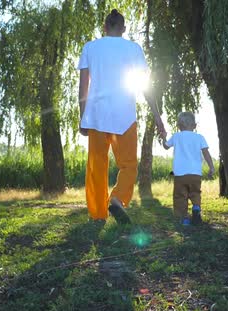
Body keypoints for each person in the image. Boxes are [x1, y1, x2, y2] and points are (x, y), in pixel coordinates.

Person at [78, 9, 166, 224]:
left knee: (96, 166)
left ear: (104, 27)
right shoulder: (133, 49)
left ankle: (98, 215)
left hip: (97, 116)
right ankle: (117, 198)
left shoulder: (90, 47)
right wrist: (158, 118)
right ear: (124, 29)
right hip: (124, 115)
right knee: (128, 165)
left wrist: (83, 117)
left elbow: (83, 86)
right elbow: (146, 87)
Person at [162, 112, 215, 225]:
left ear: (178, 126)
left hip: (180, 174)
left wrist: (163, 137)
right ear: (194, 126)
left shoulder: (176, 136)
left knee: (180, 196)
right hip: (195, 173)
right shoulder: (200, 137)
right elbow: (206, 153)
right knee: (195, 192)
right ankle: (196, 208)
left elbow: (166, 146)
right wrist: (211, 167)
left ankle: (185, 219)